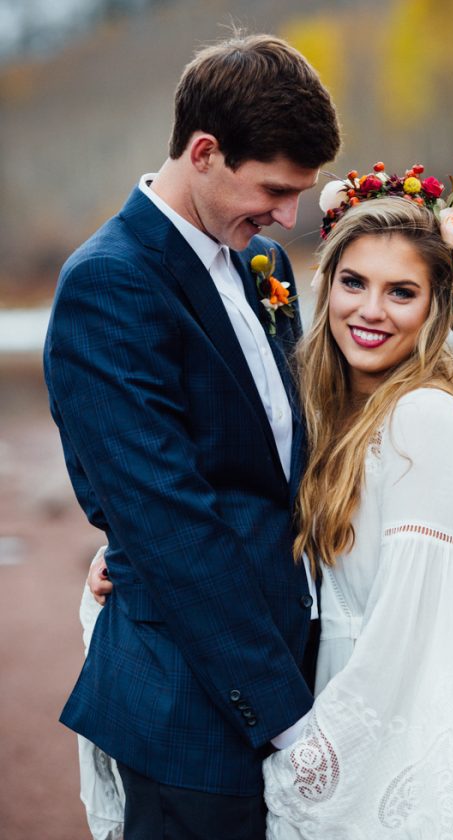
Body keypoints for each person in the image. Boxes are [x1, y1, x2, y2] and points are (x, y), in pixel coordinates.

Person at [44, 33, 340, 840]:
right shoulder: (108, 284)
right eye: (275, 189)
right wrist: (287, 718)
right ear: (204, 152)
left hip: (297, 657)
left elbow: (283, 458)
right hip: (195, 706)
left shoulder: (263, 261)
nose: (287, 215)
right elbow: (170, 522)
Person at [261, 168, 453, 838]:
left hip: (392, 737)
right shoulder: (328, 414)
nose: (370, 310)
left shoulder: (424, 420)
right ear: (326, 285)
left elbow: (407, 633)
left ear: (436, 307)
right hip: (334, 701)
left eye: (401, 292)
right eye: (354, 282)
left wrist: (314, 759)